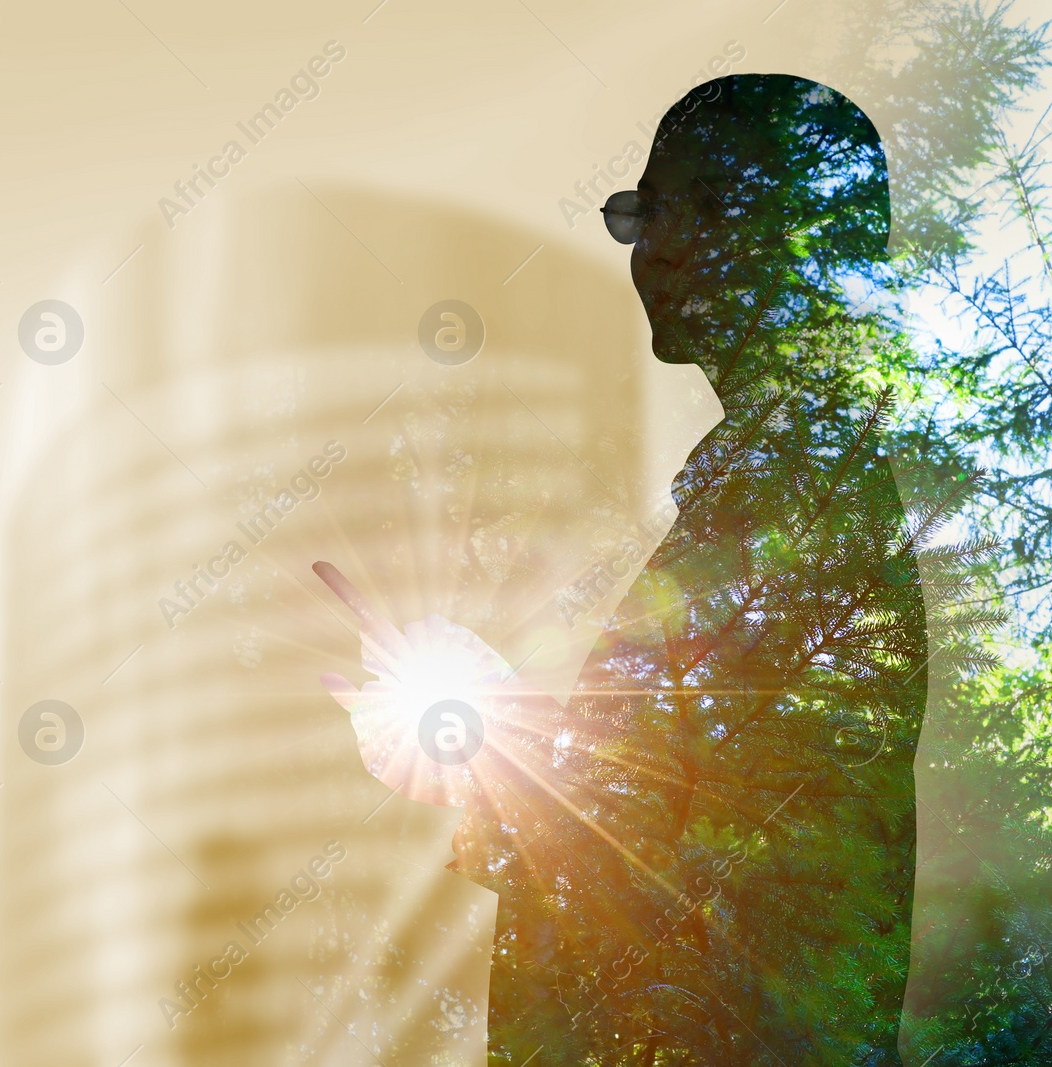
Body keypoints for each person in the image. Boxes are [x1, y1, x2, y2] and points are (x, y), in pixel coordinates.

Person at [322, 75, 926, 1065]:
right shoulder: (797, 489)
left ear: (734, 223)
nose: (641, 252)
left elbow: (639, 855)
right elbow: (657, 815)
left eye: (646, 210)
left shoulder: (785, 501)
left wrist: (467, 743)